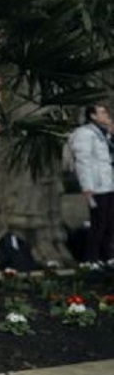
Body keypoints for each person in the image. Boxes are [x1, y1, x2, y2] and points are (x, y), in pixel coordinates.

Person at [69, 104, 114, 264]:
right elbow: (83, 161)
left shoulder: (102, 134)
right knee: (98, 223)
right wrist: (87, 187)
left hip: (108, 184)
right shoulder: (85, 134)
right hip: (96, 187)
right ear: (92, 116)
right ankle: (91, 259)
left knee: (109, 222)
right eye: (102, 112)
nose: (107, 114)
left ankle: (107, 256)